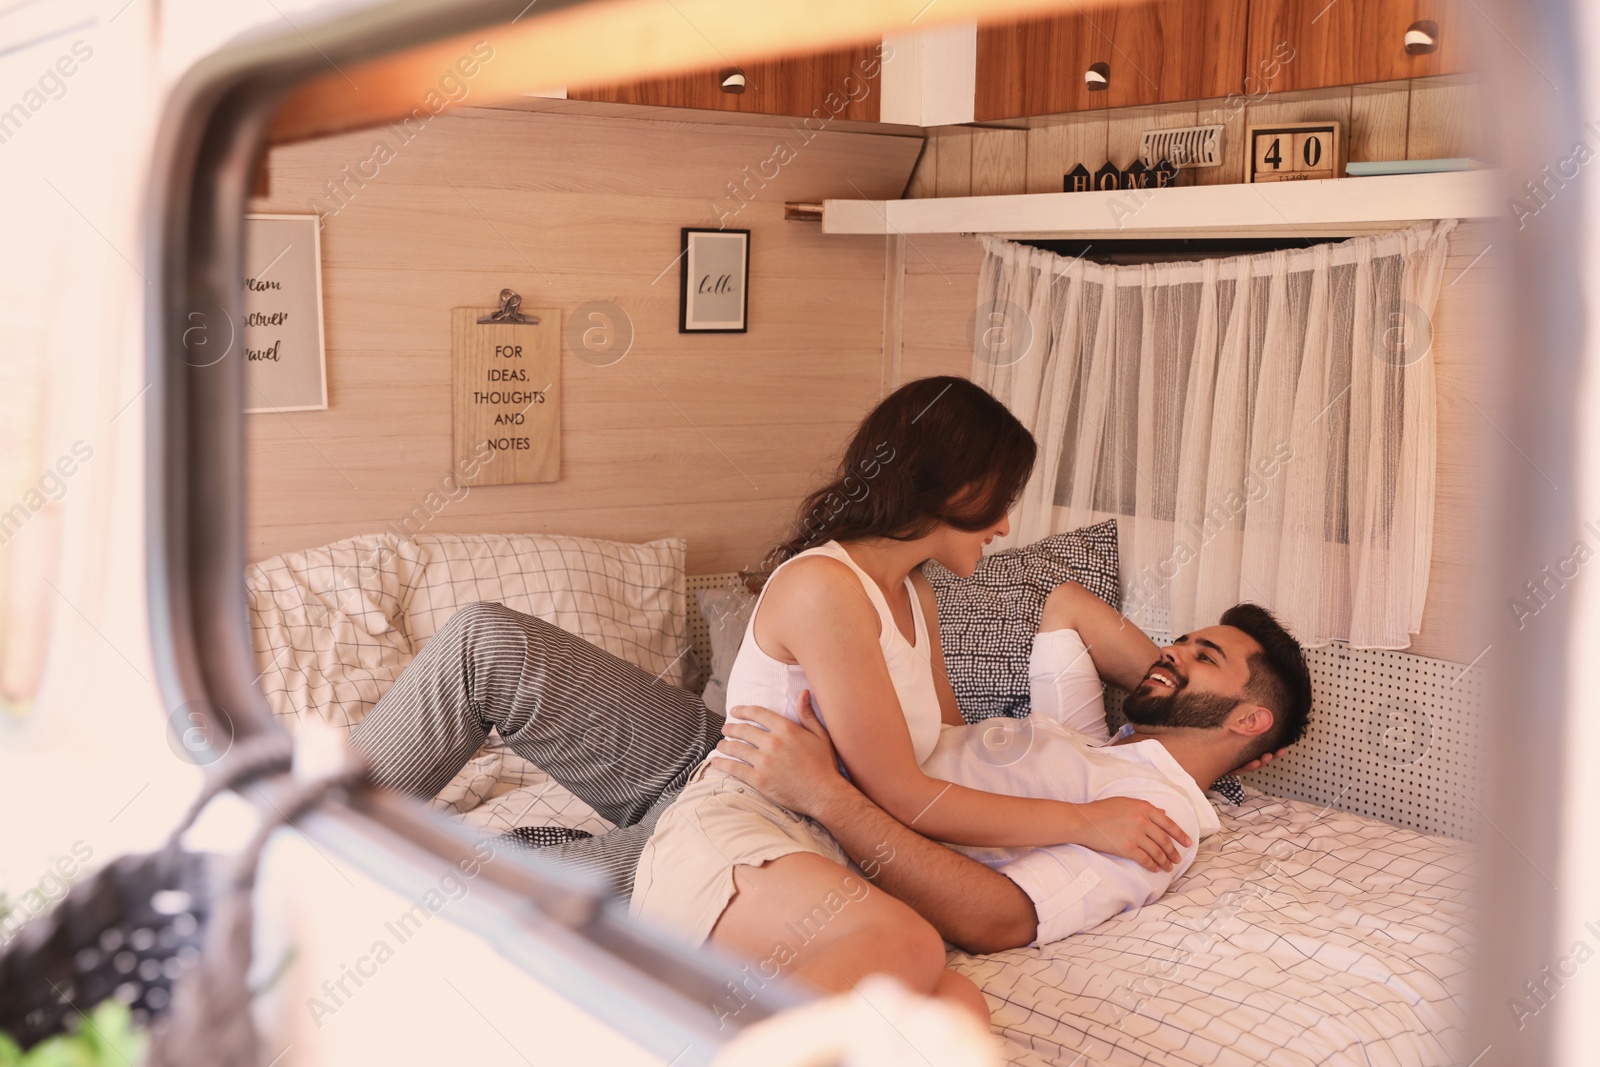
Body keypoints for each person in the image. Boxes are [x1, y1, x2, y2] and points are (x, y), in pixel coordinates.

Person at [625, 377, 1237, 1025]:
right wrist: (1088, 820)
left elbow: (946, 752)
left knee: (957, 1008)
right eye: (1000, 499)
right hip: (746, 830)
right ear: (956, 489)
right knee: (910, 945)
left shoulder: (915, 594)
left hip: (836, 845)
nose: (1004, 524)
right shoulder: (825, 587)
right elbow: (906, 794)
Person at [711, 590, 1311, 966]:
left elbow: (1000, 920)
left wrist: (825, 795)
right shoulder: (1097, 743)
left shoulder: (1159, 815)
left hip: (801, 812)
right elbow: (1067, 606)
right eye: (1178, 641)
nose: (1170, 651)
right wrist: (1169, 679)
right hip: (793, 774)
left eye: (1205, 657)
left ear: (1250, 718)